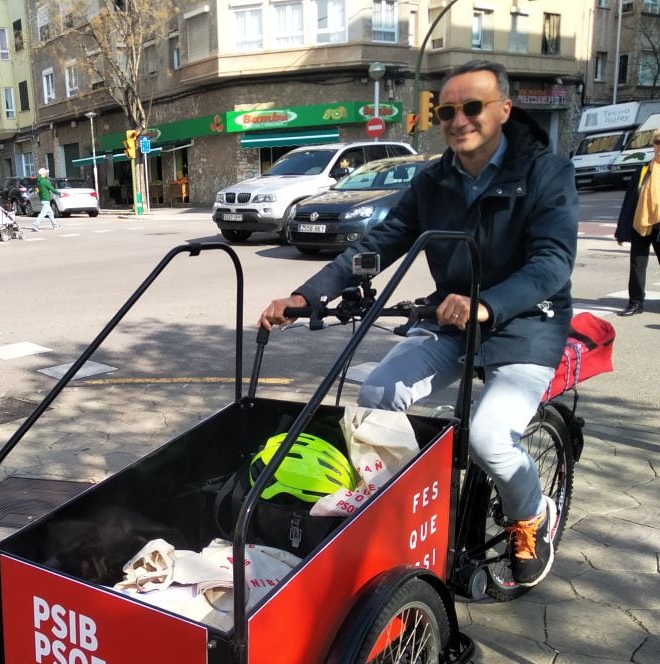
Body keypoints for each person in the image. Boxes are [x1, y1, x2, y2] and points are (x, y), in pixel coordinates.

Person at [258, 60, 577, 588]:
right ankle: (398, 514)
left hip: (526, 324)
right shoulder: (433, 180)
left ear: (504, 109)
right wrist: (306, 296)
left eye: (472, 107)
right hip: (451, 320)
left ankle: (531, 515)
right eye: (446, 112)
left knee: (489, 437)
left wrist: (486, 304)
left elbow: (552, 263)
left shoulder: (546, 172)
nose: (459, 120)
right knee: (378, 395)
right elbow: (381, 243)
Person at [614, 143, 660, 316]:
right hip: (641, 223)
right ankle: (635, 302)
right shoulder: (643, 170)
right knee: (637, 264)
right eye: (658, 144)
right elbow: (630, 200)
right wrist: (622, 230)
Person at [31, 167, 60, 231]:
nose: (47, 173)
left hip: (43, 199)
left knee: (51, 213)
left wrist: (40, 195)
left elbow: (37, 190)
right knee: (42, 214)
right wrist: (59, 193)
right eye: (46, 172)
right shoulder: (45, 181)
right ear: (44, 173)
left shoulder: (38, 181)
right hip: (46, 199)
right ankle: (35, 225)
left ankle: (55, 225)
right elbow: (52, 189)